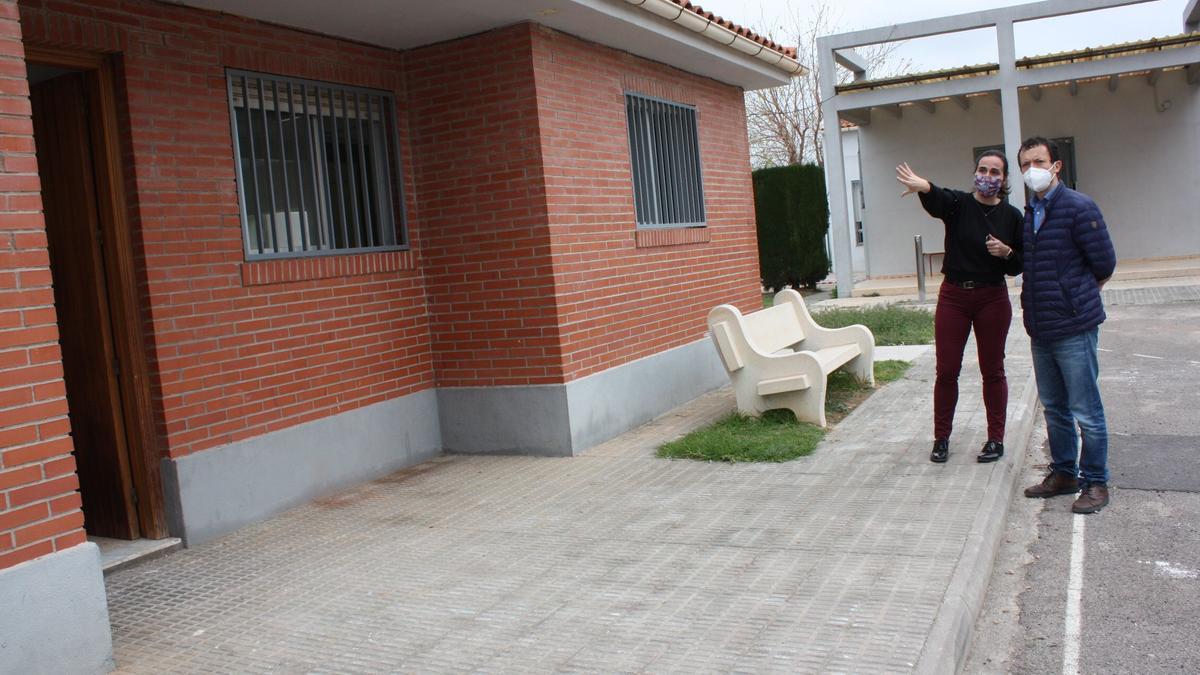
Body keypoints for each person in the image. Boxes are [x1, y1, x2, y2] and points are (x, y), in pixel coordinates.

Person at [896, 151, 1023, 464]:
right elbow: (939, 198)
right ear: (975, 173)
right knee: (947, 370)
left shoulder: (1012, 216)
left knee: (992, 370)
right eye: (982, 169)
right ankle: (941, 438)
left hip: (992, 298)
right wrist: (924, 186)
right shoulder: (959, 205)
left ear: (1004, 179)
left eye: (995, 172)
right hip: (954, 296)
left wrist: (1006, 252)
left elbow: (1018, 265)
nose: (988, 176)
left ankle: (996, 439)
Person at [1016, 137, 1116, 514]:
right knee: (1055, 408)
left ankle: (1095, 482)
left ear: (1056, 165)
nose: (1032, 170)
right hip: (1041, 328)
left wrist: (1076, 297)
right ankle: (1064, 473)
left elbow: (1104, 263)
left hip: (1074, 326)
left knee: (1086, 409)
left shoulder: (1078, 207)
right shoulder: (1031, 212)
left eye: (1038, 161)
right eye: (1025, 164)